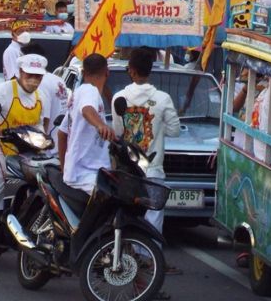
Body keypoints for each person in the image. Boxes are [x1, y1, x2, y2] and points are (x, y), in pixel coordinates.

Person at [0, 53, 50, 272]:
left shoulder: (42, 96)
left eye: (38, 76)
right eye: (29, 75)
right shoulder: (5, 90)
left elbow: (44, 125)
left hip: (27, 153)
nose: (33, 80)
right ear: (20, 73)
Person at [111, 49, 180, 235]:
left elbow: (118, 132)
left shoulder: (119, 98)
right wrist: (157, 127)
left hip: (128, 168)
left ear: (131, 71)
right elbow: (175, 131)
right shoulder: (163, 99)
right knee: (154, 215)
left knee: (126, 212)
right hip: (153, 167)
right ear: (150, 71)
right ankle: (150, 256)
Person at [58, 54, 114, 199]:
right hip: (87, 174)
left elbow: (62, 133)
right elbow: (87, 109)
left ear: (83, 73)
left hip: (78, 172)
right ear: (107, 73)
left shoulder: (79, 92)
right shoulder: (90, 91)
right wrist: (101, 125)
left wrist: (65, 168)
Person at [21, 42, 69, 138]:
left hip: (47, 147)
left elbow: (44, 119)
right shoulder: (58, 80)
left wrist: (41, 146)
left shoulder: (38, 83)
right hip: (60, 143)